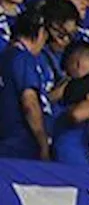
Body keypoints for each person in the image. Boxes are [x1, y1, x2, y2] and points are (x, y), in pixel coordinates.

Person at [0, 11, 52, 159]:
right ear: (40, 32)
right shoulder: (23, 58)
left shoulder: (4, 56)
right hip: (21, 146)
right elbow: (29, 103)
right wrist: (43, 144)